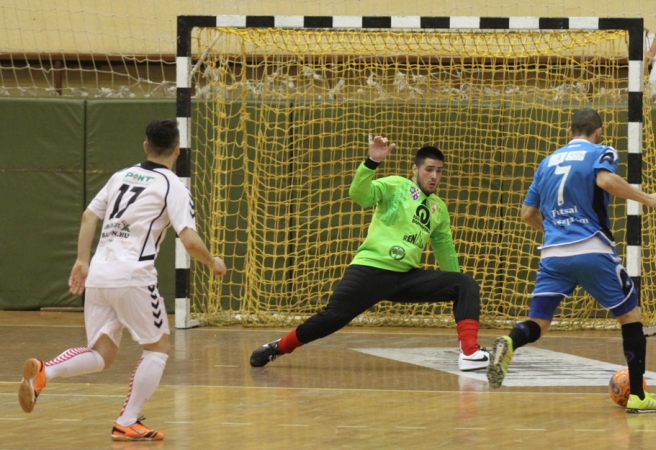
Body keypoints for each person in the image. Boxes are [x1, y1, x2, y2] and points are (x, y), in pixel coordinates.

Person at [17, 119, 227, 440]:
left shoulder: (121, 176)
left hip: (99, 274)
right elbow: (188, 238)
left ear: (145, 146)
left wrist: (82, 261)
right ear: (177, 151)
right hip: (133, 275)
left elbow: (89, 215)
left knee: (102, 355)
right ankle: (127, 420)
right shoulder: (173, 186)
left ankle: (47, 370)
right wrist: (212, 261)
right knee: (158, 347)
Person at [249, 135, 489, 371]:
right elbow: (360, 195)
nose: (434, 176)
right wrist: (371, 162)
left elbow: (445, 250)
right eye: (429, 169)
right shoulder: (395, 185)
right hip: (371, 270)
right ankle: (277, 347)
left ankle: (469, 353)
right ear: (414, 170)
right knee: (331, 319)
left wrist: (457, 292)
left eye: (439, 171)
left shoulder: (439, 209)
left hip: (405, 277)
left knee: (464, 284)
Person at [486, 108, 656, 413]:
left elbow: (527, 214)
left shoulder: (546, 163)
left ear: (569, 132)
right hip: (592, 249)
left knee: (539, 324)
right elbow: (606, 181)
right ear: (599, 132)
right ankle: (637, 395)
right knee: (631, 317)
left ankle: (510, 340)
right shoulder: (601, 151)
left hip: (553, 254)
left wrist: (557, 231)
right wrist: (647, 198)